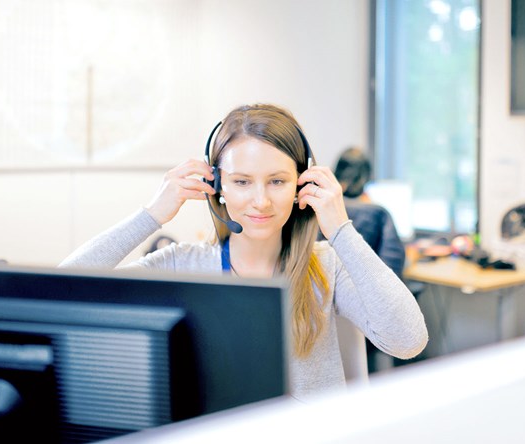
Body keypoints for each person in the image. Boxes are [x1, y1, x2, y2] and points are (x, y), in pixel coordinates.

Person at [60, 104, 428, 399]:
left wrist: (340, 228)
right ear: (217, 185)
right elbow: (63, 295)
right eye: (241, 182)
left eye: (278, 181)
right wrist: (151, 215)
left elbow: (408, 341)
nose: (261, 201)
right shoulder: (182, 265)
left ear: (303, 182)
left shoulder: (327, 265)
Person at [333, 147, 405, 279]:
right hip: (367, 291)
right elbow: (393, 268)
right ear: (366, 177)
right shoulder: (378, 213)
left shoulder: (319, 207)